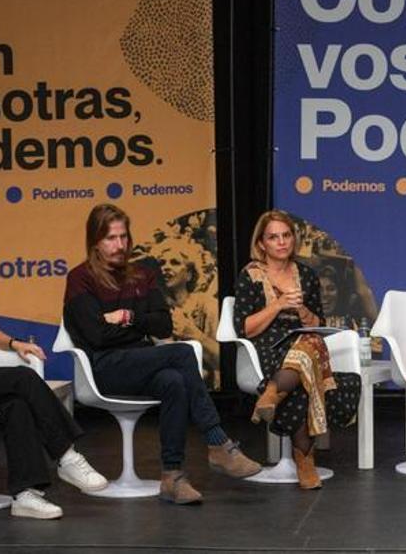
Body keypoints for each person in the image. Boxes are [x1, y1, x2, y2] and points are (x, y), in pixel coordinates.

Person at [63, 204, 260, 505]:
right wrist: (137, 323)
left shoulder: (142, 275)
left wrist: (128, 317)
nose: (120, 245)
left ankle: (172, 476)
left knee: (173, 382)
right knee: (180, 353)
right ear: (95, 242)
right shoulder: (81, 279)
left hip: (141, 361)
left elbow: (163, 323)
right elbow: (97, 336)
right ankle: (218, 442)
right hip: (103, 368)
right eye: (111, 238)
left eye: (124, 237)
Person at [233, 210, 362, 490]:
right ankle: (305, 459)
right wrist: (278, 305)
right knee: (306, 367)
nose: (281, 242)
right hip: (266, 346)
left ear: (294, 238)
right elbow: (245, 328)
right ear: (261, 244)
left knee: (310, 343)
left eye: (286, 235)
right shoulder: (251, 275)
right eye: (273, 237)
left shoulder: (306, 274)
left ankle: (271, 396)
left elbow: (318, 323)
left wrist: (302, 310)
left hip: (303, 339)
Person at [0, 301, 107, 518]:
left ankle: (24, 494)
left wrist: (15, 344)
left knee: (16, 405)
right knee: (23, 378)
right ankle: (67, 455)